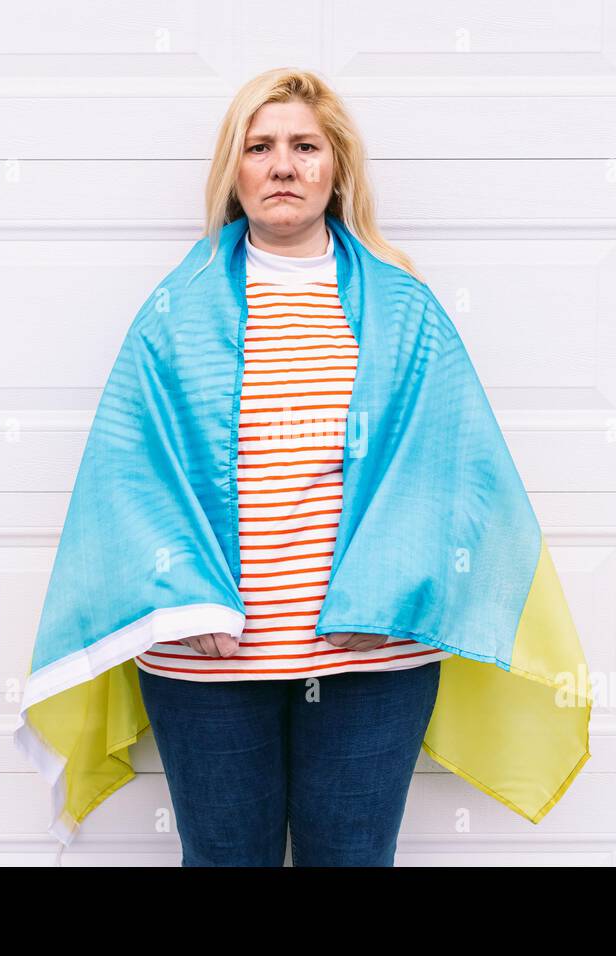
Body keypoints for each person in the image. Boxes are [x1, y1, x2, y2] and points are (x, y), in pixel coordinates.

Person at [132, 68, 447, 865]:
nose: (282, 165)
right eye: (259, 146)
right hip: (209, 654)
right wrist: (188, 597)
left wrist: (387, 590)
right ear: (233, 171)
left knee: (351, 857)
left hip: (368, 652)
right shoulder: (176, 308)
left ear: (335, 167)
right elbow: (135, 471)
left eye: (305, 146)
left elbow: (442, 467)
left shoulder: (403, 302)